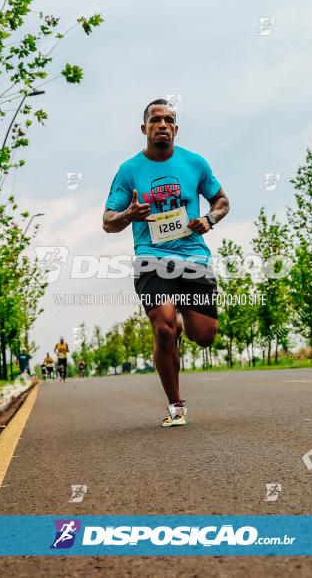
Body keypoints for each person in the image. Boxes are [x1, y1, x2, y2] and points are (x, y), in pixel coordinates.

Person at [102, 98, 230, 427]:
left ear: (175, 128)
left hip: (193, 257)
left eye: (168, 119)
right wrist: (129, 214)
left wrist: (209, 219)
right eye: (155, 119)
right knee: (164, 327)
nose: (162, 124)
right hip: (152, 259)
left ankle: (180, 325)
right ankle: (176, 404)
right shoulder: (129, 171)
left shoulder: (195, 163)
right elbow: (107, 221)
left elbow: (221, 200)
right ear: (144, 128)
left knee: (204, 336)